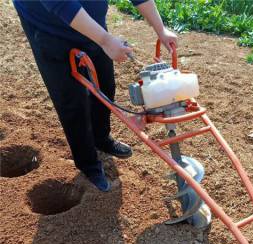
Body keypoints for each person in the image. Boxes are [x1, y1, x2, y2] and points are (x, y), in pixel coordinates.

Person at [13, 0, 178, 191]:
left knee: (105, 84)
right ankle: (88, 164)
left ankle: (101, 138)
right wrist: (106, 41)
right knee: (70, 99)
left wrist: (161, 29)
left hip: (90, 18)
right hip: (48, 25)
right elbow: (61, 4)